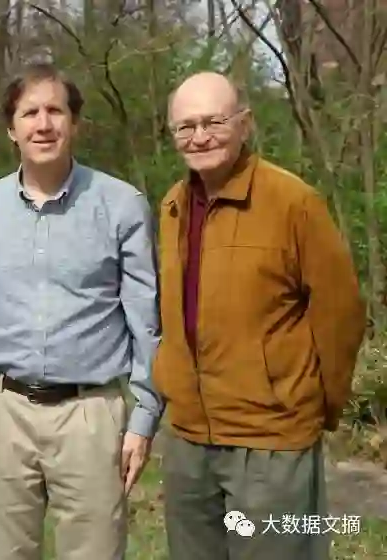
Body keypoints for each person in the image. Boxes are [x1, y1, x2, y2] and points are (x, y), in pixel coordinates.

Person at [0, 62, 163, 559]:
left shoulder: (122, 205)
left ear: (74, 122)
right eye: (29, 113)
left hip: (90, 414)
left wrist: (144, 418)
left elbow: (146, 321)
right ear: (11, 128)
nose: (43, 124)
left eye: (55, 111)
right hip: (0, 410)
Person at [154, 71, 367, 560]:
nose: (200, 137)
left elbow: (340, 315)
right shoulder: (172, 206)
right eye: (186, 126)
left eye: (214, 122)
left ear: (244, 124)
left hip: (272, 440)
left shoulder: (293, 202)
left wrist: (313, 404)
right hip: (188, 439)